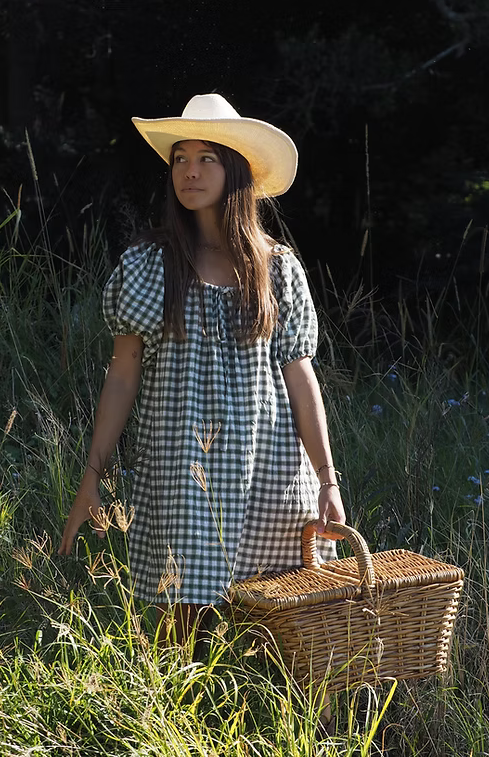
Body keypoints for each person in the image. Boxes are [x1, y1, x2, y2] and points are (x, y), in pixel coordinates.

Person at [58, 93, 346, 643]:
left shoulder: (276, 269)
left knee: (281, 618)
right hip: (180, 469)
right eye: (180, 159)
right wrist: (90, 478)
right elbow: (122, 376)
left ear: (236, 169)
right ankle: (169, 726)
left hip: (270, 466)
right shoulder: (147, 265)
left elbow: (300, 378)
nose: (189, 171)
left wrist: (328, 481)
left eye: (206, 158)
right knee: (179, 625)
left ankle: (288, 725)